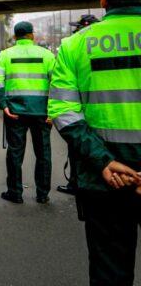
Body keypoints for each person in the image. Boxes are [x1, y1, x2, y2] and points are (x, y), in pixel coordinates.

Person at [49, 0, 141, 286]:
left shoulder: (73, 46)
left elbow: (64, 113)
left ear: (103, 0)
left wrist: (104, 161)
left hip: (104, 179)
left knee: (110, 271)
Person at [0, 21, 56, 204]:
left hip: (15, 111)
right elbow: (57, 83)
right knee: (43, 153)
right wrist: (52, 111)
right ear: (32, 35)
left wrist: (3, 105)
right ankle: (43, 194)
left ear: (15, 36)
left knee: (15, 152)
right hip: (42, 113)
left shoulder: (5, 55)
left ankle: (15, 192)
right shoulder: (47, 55)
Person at [57, 14, 101, 196]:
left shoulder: (74, 44)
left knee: (80, 154)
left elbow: (63, 97)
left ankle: (76, 183)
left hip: (85, 124)